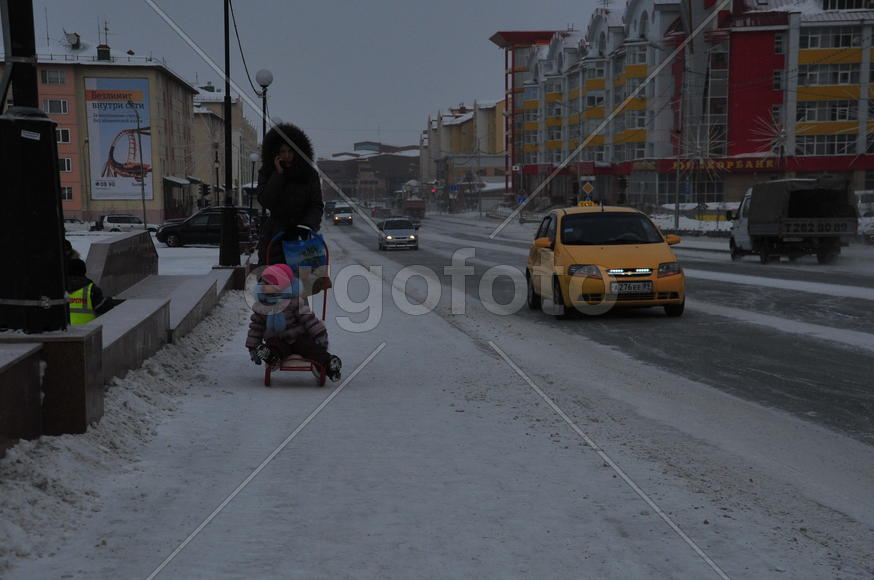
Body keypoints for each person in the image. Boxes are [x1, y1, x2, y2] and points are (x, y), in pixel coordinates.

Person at [245, 264, 341, 381]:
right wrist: (253, 347)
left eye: (269, 284)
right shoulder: (261, 306)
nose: (265, 287)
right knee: (274, 345)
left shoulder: (294, 302)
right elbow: (256, 328)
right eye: (263, 284)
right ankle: (270, 355)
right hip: (277, 339)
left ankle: (329, 364)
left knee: (310, 348)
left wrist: (320, 334)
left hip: (298, 337)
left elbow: (309, 319)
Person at [256, 123, 325, 265]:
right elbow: (265, 201)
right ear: (275, 153)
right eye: (282, 151)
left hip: (302, 237)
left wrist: (307, 225)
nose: (287, 155)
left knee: (305, 283)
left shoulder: (309, 174)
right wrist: (278, 175)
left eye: (290, 151)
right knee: (274, 282)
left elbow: (316, 205)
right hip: (275, 237)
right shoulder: (268, 173)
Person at [66, 258, 115, 324]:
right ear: (84, 271)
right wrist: (110, 301)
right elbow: (102, 307)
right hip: (87, 331)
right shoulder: (91, 289)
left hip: (65, 333)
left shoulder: (59, 290)